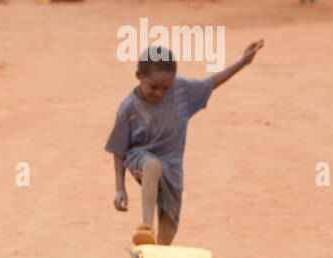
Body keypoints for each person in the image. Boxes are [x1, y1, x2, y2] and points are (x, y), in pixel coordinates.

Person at [107, 39, 265, 246]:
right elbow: (118, 149)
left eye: (165, 87)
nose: (159, 93)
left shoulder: (181, 90)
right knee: (152, 166)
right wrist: (120, 188)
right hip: (141, 159)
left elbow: (212, 82)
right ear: (139, 76)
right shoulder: (128, 107)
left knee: (168, 232)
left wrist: (243, 62)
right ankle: (146, 226)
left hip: (173, 170)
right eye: (153, 87)